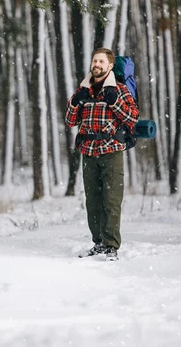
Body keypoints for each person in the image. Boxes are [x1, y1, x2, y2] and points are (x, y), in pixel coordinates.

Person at [65, 47, 139, 260]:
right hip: (88, 152)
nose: (96, 65)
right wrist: (75, 102)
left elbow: (132, 118)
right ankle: (98, 243)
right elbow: (70, 121)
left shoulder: (120, 89)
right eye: (94, 61)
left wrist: (114, 101)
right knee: (93, 201)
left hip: (111, 151)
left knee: (111, 200)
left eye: (101, 62)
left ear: (109, 66)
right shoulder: (84, 90)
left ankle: (111, 246)